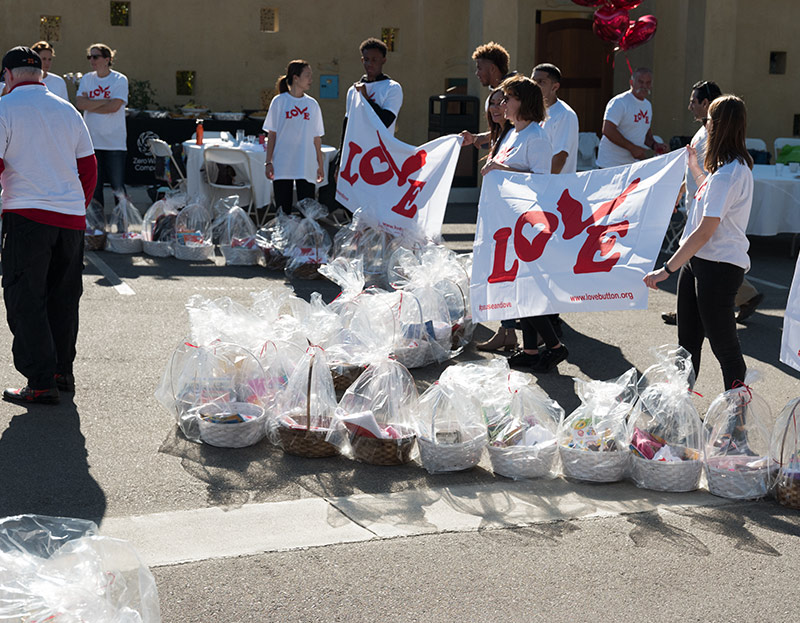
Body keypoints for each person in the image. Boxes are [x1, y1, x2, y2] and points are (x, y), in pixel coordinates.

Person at [0, 46, 96, 404]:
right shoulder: (67, 109)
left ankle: (40, 381)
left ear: (8, 75)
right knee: (63, 297)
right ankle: (59, 371)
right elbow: (88, 168)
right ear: (41, 74)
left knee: (26, 297)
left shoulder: (5, 108)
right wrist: (75, 207)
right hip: (70, 218)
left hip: (27, 215)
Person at [644, 94, 753, 391]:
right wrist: (695, 168)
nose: (704, 125)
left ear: (717, 127)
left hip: (717, 268)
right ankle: (678, 411)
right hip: (700, 263)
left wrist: (666, 269)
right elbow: (710, 195)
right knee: (687, 344)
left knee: (725, 348)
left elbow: (705, 230)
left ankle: (737, 422)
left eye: (708, 120)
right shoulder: (726, 170)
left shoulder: (729, 174)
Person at [482, 76, 568, 373]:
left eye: (508, 99)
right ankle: (530, 349)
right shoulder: (512, 133)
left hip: (528, 224)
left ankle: (555, 347)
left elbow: (542, 182)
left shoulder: (536, 136)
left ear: (524, 102)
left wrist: (500, 169)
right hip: (507, 220)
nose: (502, 105)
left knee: (529, 289)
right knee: (520, 288)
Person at [661, 80, 763, 326]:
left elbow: (708, 226)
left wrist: (664, 270)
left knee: (701, 249)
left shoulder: (726, 167)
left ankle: (741, 297)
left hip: (709, 212)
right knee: (695, 254)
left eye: (693, 101)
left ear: (708, 107)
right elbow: (704, 176)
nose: (690, 107)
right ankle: (688, 309)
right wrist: (687, 183)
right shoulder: (726, 159)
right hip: (704, 204)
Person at [475, 88, 517, 352]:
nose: (496, 108)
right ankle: (507, 330)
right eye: (491, 104)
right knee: (499, 274)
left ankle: (513, 331)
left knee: (507, 274)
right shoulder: (500, 135)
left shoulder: (516, 134)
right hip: (496, 212)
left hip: (509, 216)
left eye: (501, 103)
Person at [264, 60, 325, 213]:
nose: (311, 79)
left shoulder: (312, 105)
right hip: (283, 163)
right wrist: (268, 162)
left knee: (307, 212)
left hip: (306, 163)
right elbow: (272, 134)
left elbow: (317, 138)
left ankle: (305, 237)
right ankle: (284, 237)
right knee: (283, 211)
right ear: (296, 77)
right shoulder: (279, 102)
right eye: (307, 75)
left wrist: (320, 164)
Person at [76, 43, 127, 210]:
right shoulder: (87, 78)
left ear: (107, 59)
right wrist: (107, 100)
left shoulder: (119, 79)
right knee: (94, 187)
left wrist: (92, 103)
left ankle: (123, 222)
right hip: (91, 141)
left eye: (95, 56)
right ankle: (98, 226)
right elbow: (80, 103)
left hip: (114, 142)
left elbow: (115, 107)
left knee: (117, 187)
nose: (92, 60)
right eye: (89, 57)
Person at [596, 67, 667, 168]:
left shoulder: (647, 105)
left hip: (632, 166)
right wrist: (632, 148)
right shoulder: (619, 102)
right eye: (641, 82)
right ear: (631, 82)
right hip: (610, 164)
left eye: (648, 83)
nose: (644, 86)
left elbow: (645, 133)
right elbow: (608, 130)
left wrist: (655, 145)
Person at [461, 41, 516, 150]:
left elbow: (516, 129)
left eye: (479, 68)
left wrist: (480, 138)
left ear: (492, 68)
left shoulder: (514, 93)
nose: (477, 73)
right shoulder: (495, 93)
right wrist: (475, 138)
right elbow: (501, 130)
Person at [343, 37, 403, 135]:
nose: (370, 64)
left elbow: (385, 122)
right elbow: (348, 124)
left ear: (383, 60)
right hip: (358, 149)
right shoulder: (353, 90)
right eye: (366, 59)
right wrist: (343, 149)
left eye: (374, 60)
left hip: (380, 148)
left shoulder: (392, 88)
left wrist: (365, 98)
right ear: (362, 60)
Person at [532, 63, 579, 174]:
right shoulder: (533, 112)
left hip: (553, 186)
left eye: (541, 82)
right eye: (533, 81)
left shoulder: (564, 114)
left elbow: (560, 157)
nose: (535, 85)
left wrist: (542, 183)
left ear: (555, 87)